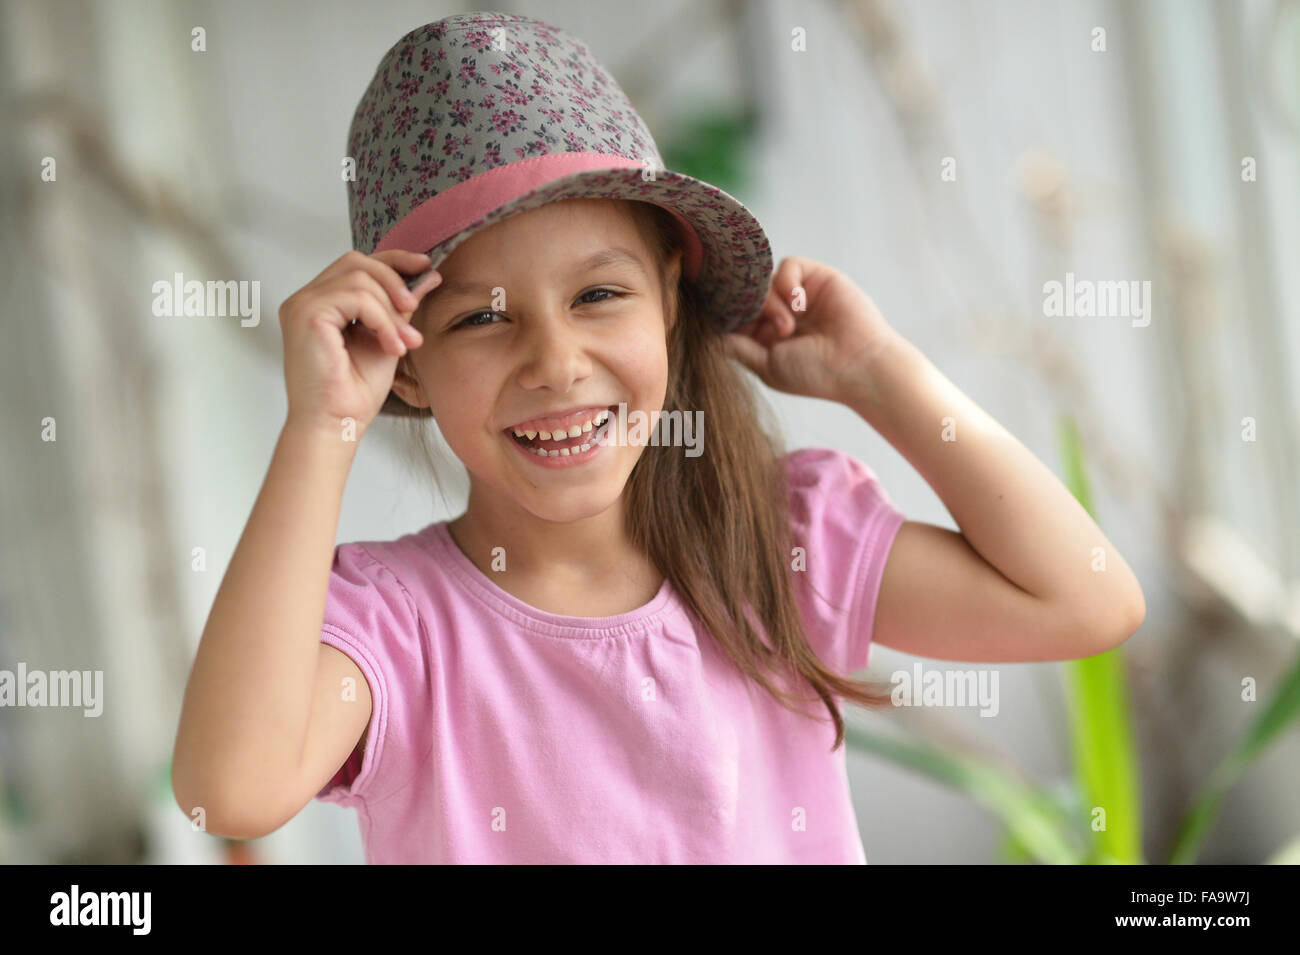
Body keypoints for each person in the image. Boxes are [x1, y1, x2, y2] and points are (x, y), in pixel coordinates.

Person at [172, 12, 1145, 864]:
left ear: (671, 301)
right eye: (482, 318)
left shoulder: (776, 542)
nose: (555, 362)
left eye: (599, 295)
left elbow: (1084, 600)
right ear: (406, 361)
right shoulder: (397, 628)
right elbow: (232, 790)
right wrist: (321, 427)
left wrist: (881, 374)